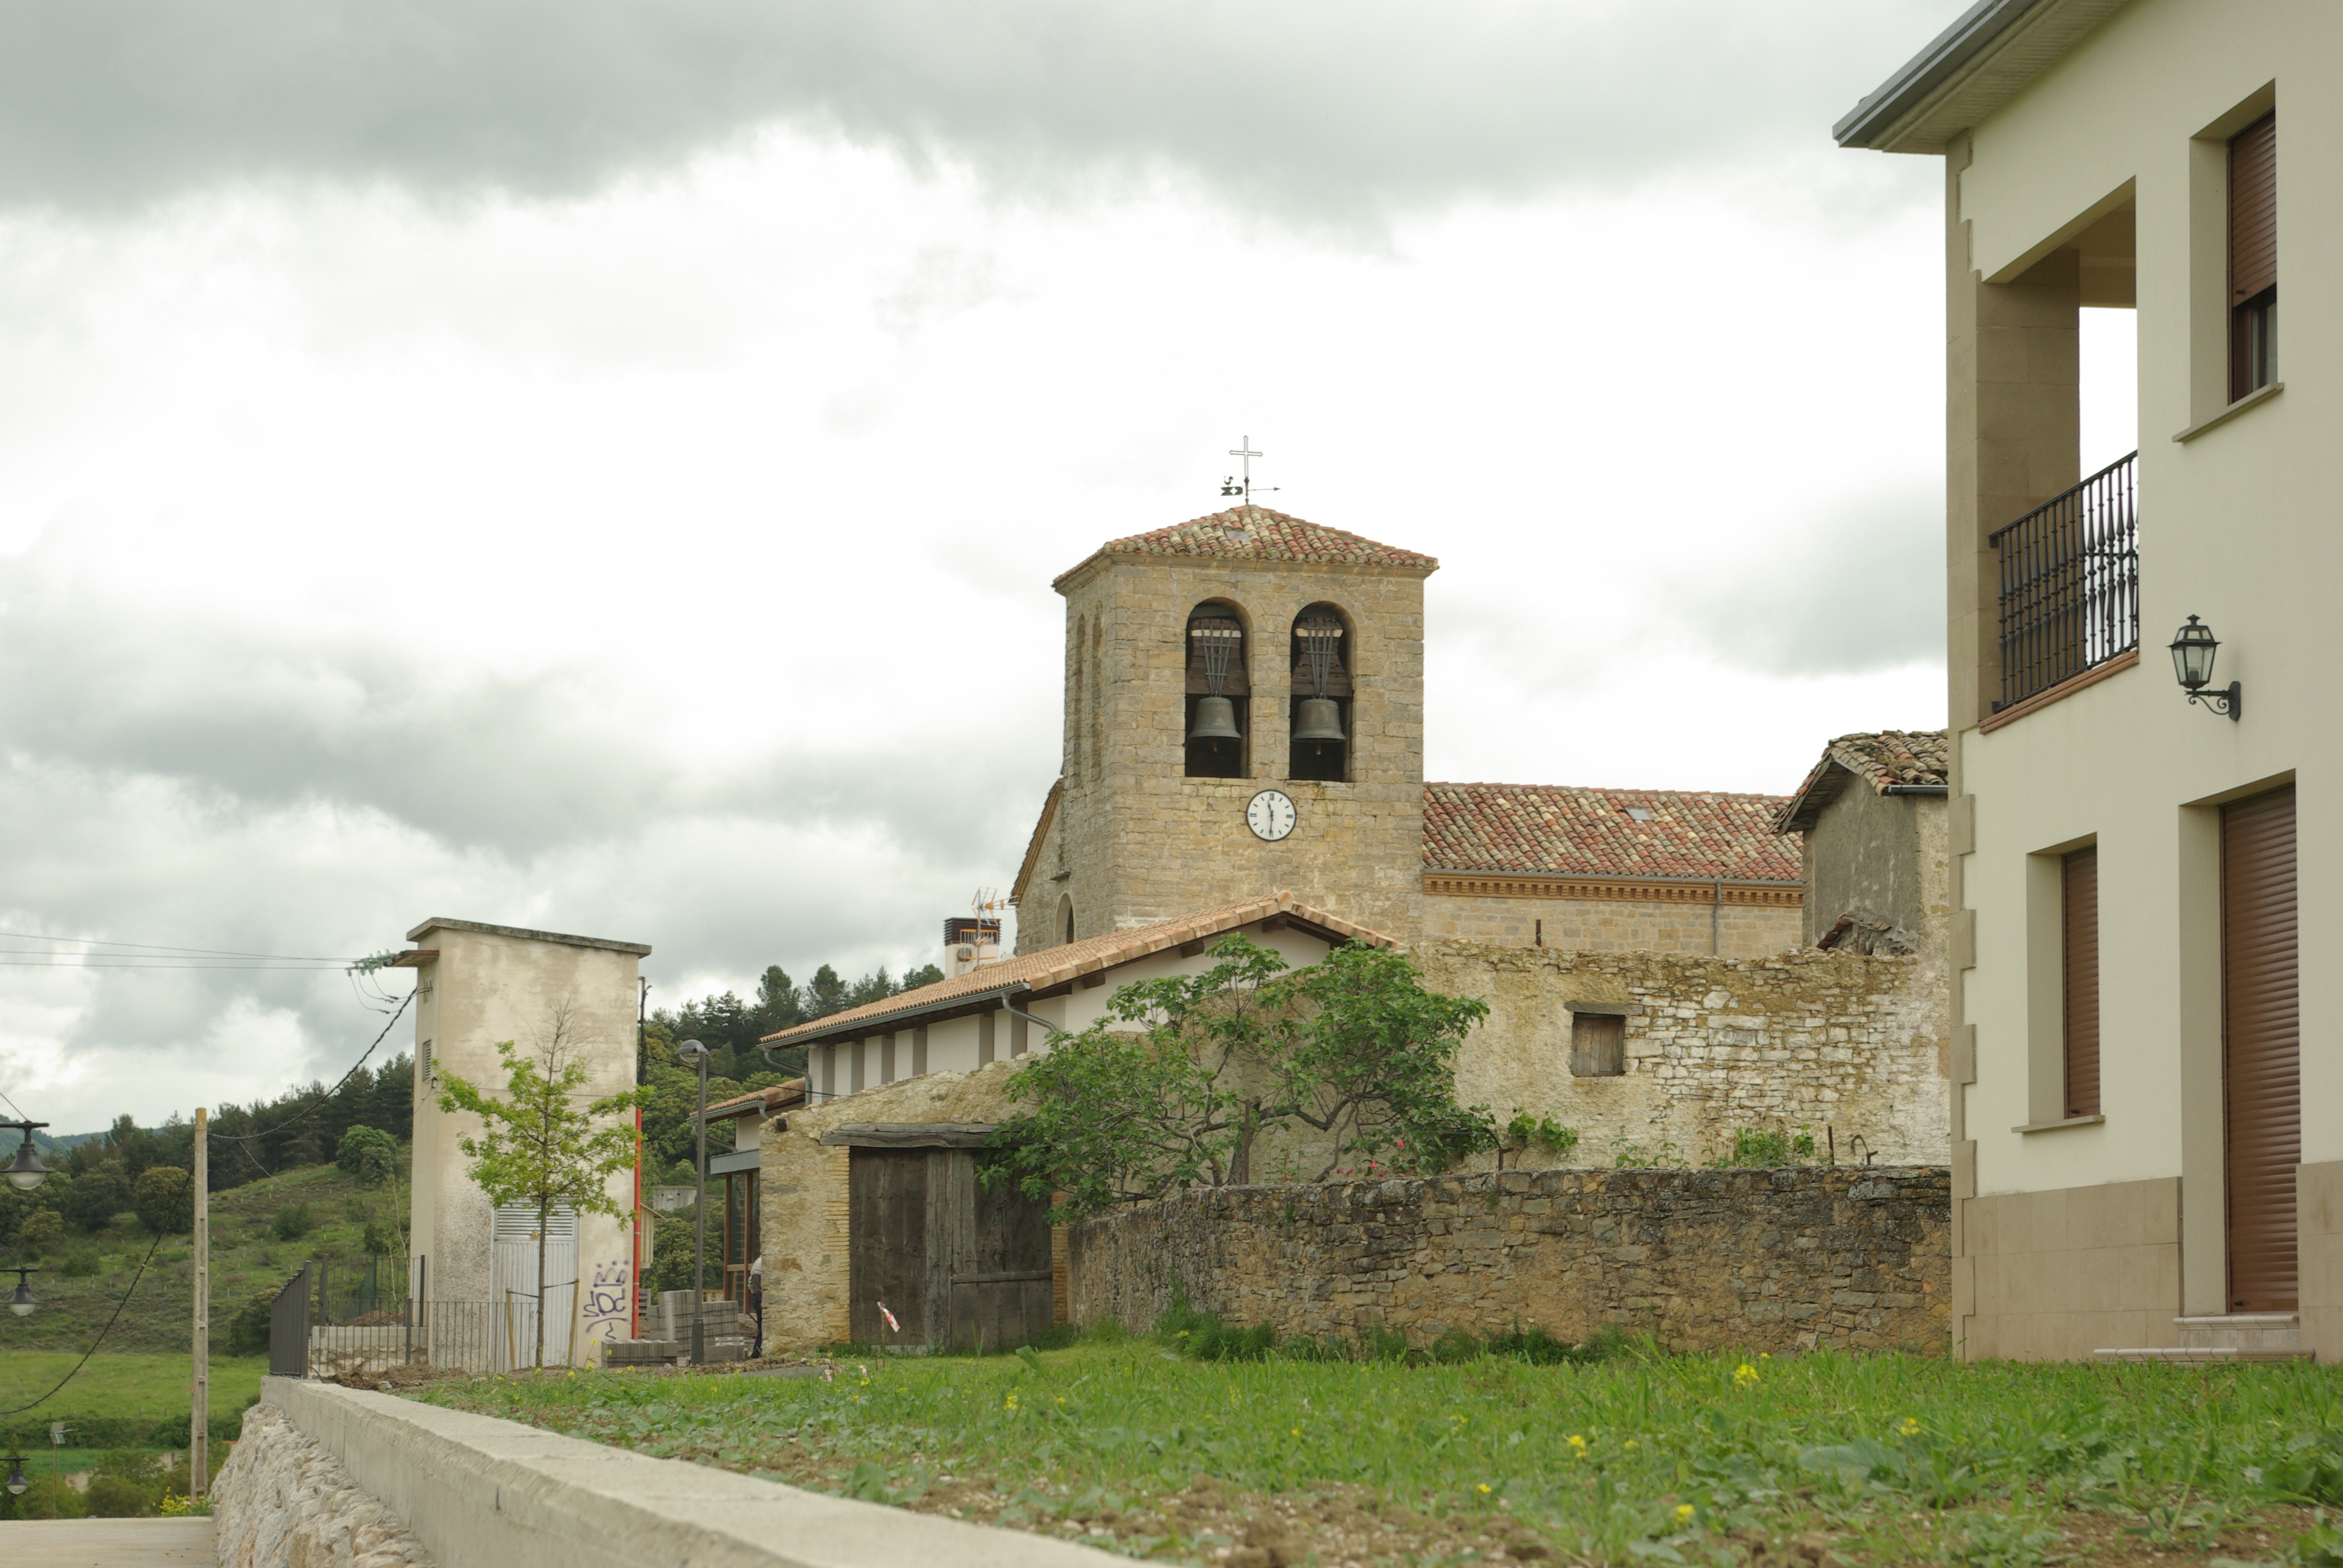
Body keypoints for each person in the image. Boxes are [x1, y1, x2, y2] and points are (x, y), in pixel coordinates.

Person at [748, 1255, 764, 1358]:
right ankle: (757, 1352)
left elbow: (750, 1284)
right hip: (761, 1297)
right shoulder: (764, 1263)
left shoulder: (757, 1262)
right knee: (763, 1327)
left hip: (755, 1296)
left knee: (761, 1326)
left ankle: (756, 1352)